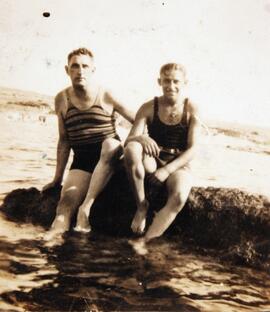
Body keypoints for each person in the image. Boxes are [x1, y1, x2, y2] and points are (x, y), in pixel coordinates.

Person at [43, 47, 134, 240]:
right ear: (67, 70)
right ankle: (49, 244)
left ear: (93, 70)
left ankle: (87, 208)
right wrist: (57, 180)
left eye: (85, 66)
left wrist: (136, 143)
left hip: (111, 159)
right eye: (75, 66)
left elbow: (139, 120)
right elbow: (64, 140)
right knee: (64, 206)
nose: (80, 71)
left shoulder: (106, 95)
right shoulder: (62, 99)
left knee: (110, 145)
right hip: (83, 162)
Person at [124, 63, 201, 254]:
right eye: (166, 80)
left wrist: (166, 170)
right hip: (153, 158)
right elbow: (129, 141)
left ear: (185, 83)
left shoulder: (191, 108)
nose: (171, 86)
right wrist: (141, 137)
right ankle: (142, 206)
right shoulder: (149, 107)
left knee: (180, 195)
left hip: (178, 163)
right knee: (133, 149)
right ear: (159, 81)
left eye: (176, 81)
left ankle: (145, 241)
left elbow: (193, 149)